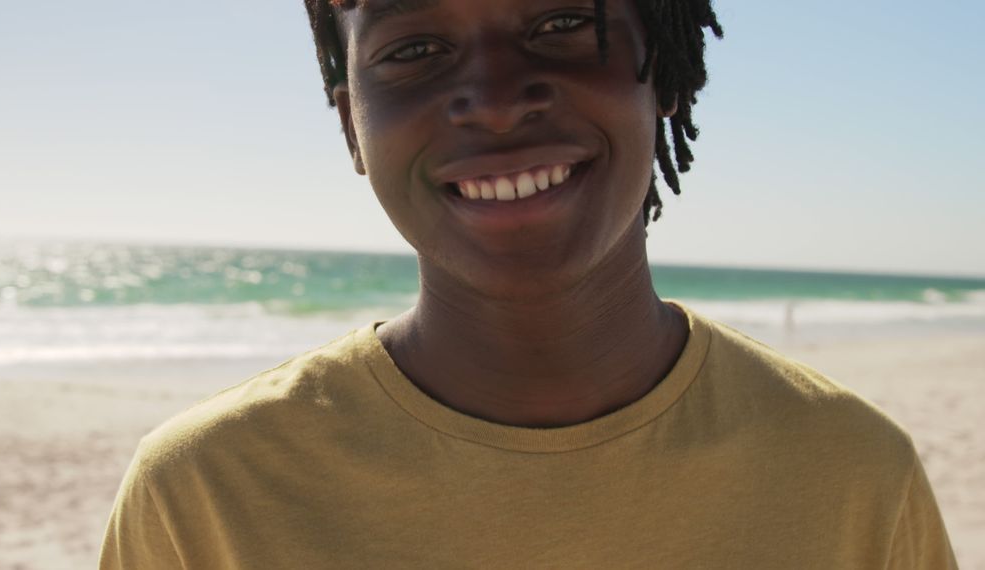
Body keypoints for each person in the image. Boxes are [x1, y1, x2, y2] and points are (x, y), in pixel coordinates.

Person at [100, 0, 958, 567]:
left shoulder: (849, 470)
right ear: (350, 123)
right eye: (417, 49)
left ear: (662, 61)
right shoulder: (205, 492)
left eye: (557, 22)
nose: (497, 100)